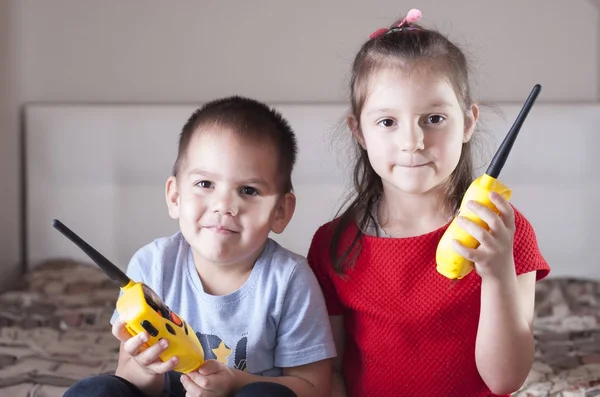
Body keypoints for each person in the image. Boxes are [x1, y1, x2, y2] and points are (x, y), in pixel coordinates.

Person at [306, 9, 550, 397]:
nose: (413, 142)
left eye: (434, 118)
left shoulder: (506, 232)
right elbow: (329, 373)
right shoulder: (332, 245)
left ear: (468, 122)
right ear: (359, 131)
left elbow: (505, 380)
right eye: (388, 122)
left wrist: (497, 271)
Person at [64, 96, 336, 397]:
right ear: (175, 196)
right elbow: (135, 383)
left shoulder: (289, 280)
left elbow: (315, 388)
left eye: (249, 190)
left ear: (280, 212)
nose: (224, 205)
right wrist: (144, 366)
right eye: (205, 184)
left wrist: (234, 382)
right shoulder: (152, 265)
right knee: (98, 390)